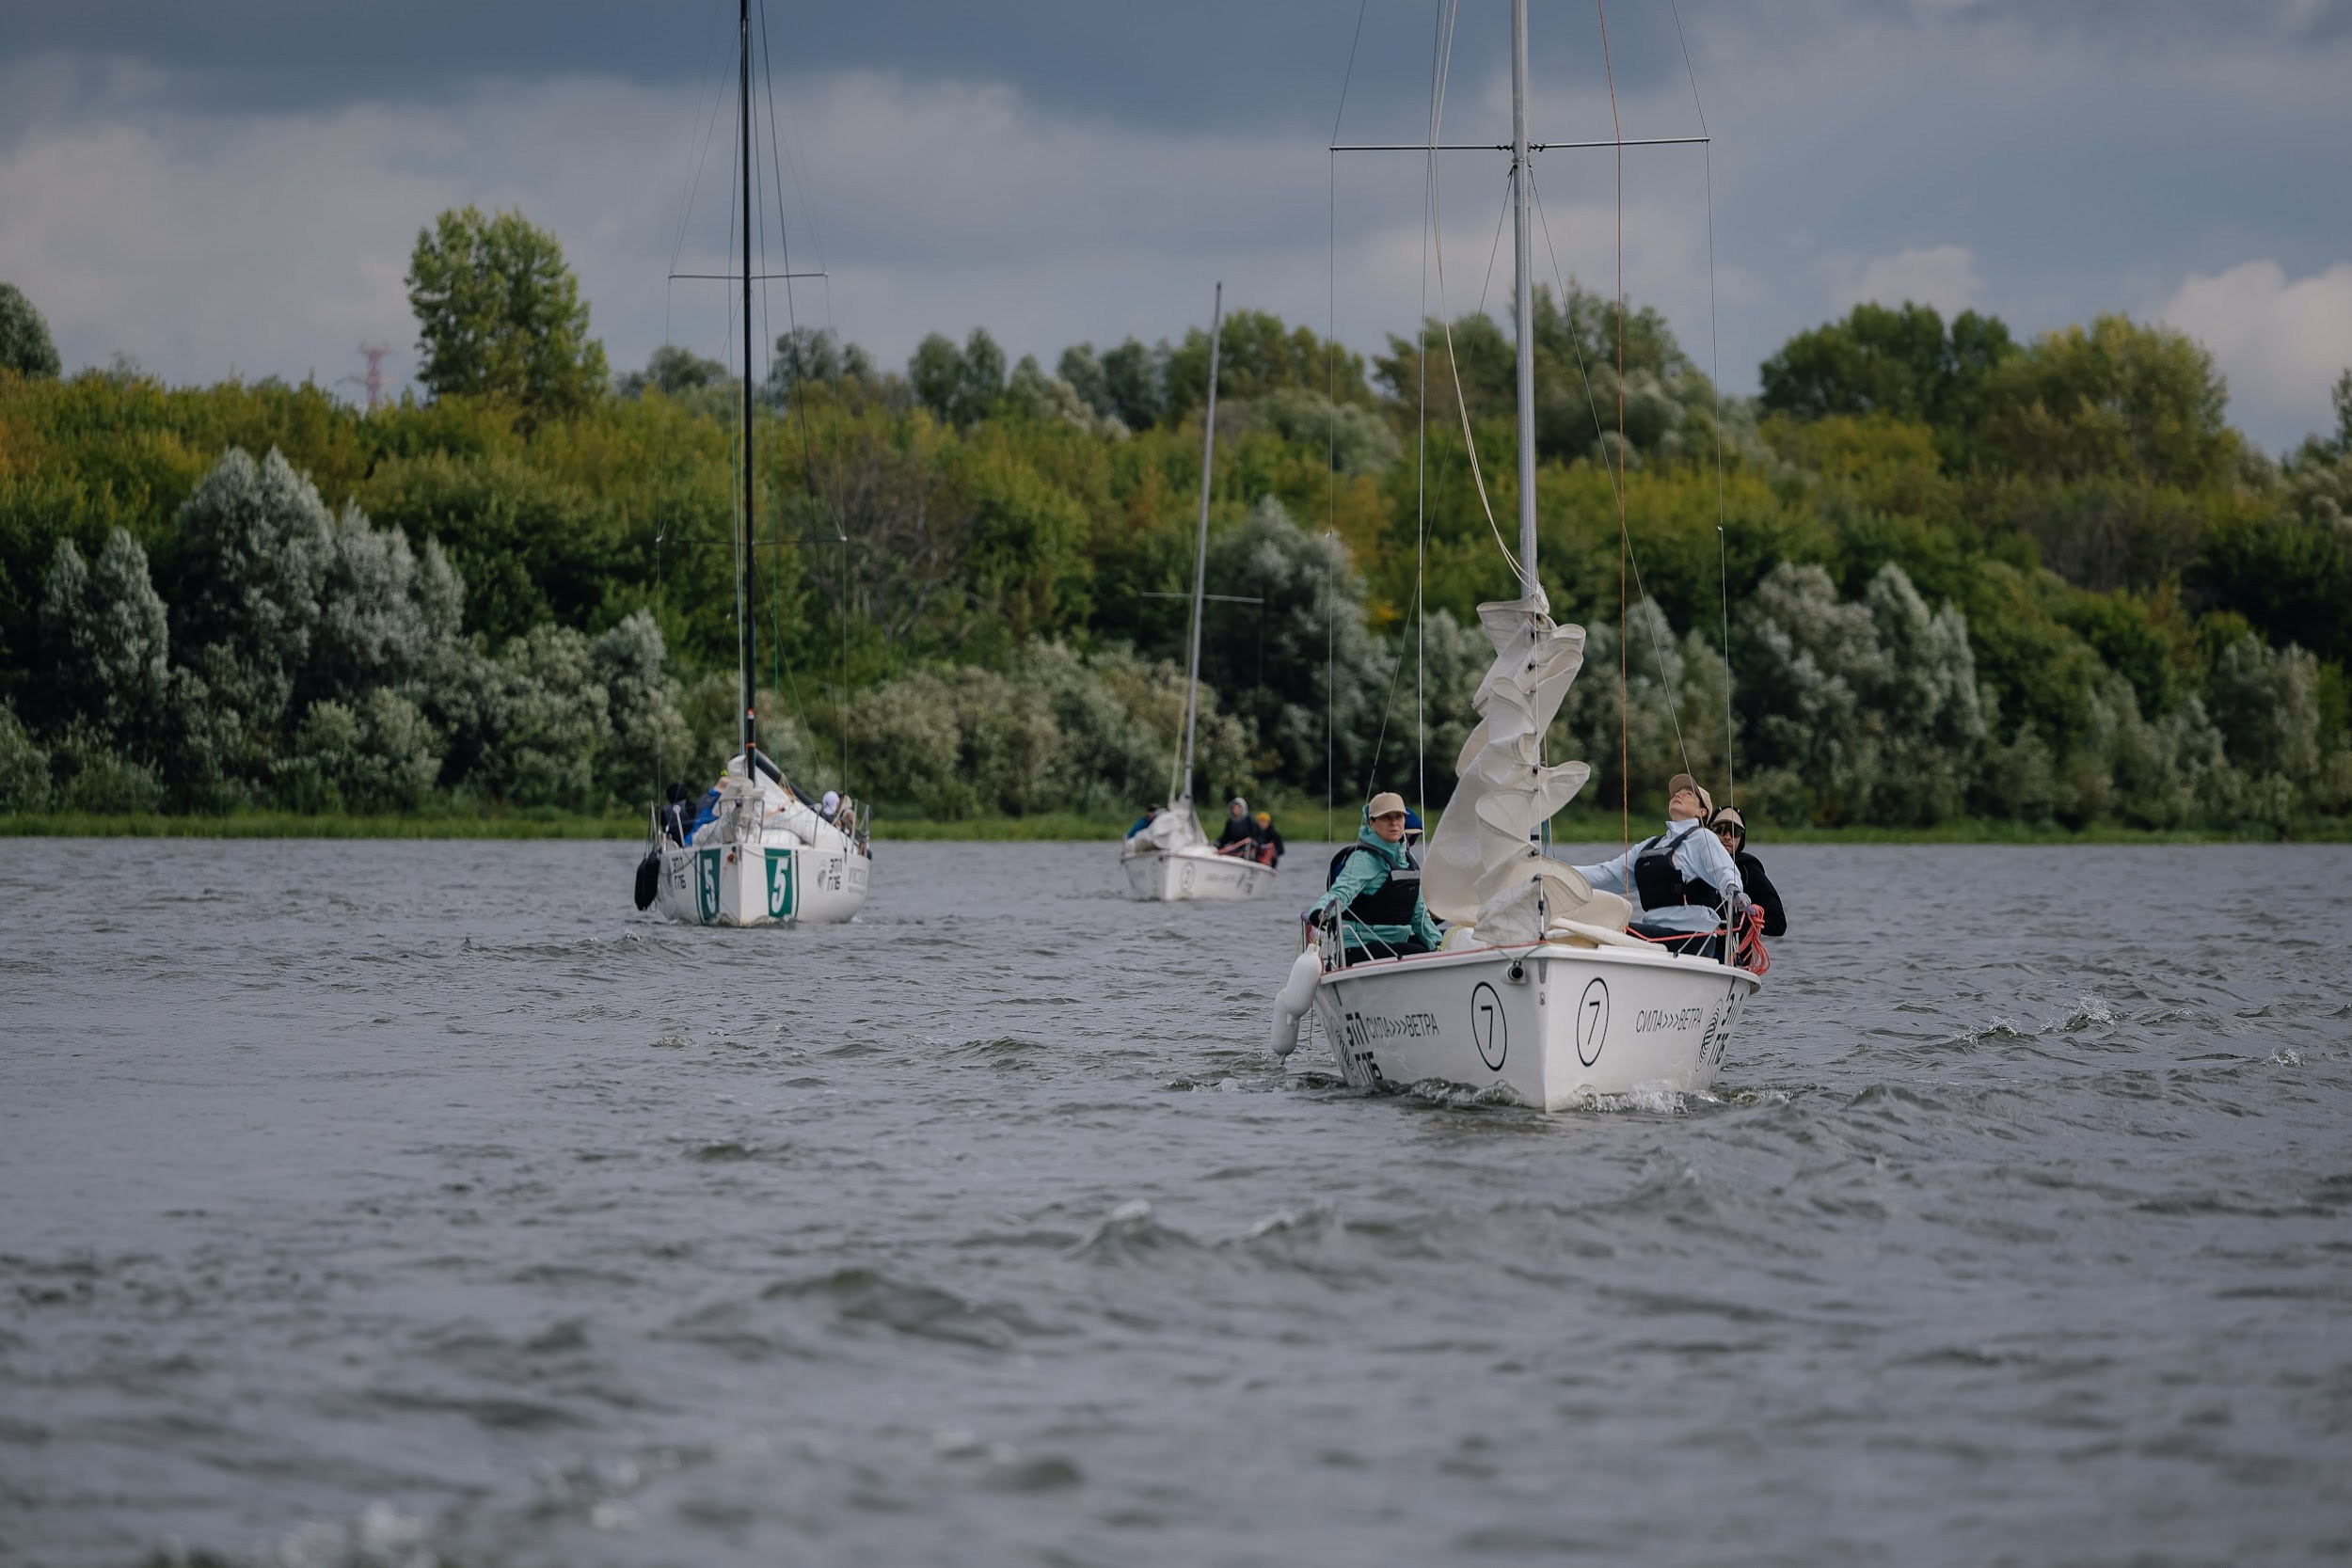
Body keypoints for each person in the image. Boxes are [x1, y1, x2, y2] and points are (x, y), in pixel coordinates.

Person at [1567, 772, 1749, 959]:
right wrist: (1559, 873)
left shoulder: (1703, 838)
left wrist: (1734, 889)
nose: (1678, 794)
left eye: (1688, 793)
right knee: (1584, 927)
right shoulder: (1650, 846)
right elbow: (1606, 874)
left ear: (1701, 812)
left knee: (1604, 932)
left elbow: (1724, 869)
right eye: (1676, 793)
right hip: (1654, 934)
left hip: (1691, 938)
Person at [1306, 792, 1445, 964]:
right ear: (1372, 823)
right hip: (1359, 948)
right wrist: (1321, 911)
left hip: (1395, 945)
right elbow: (1341, 893)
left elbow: (1419, 916)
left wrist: (1439, 945)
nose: (1394, 822)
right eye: (1386, 817)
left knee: (1453, 940)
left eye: (1398, 816)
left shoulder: (1409, 861)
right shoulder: (1363, 859)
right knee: (1418, 953)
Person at [1709, 806, 1785, 937]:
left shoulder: (1748, 869)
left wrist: (1739, 922)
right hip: (1693, 944)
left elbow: (1778, 923)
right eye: (1721, 829)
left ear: (1741, 838)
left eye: (1735, 832)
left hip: (1731, 950)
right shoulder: (1694, 862)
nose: (1727, 836)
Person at [658, 781, 693, 845]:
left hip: (676, 843)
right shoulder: (690, 805)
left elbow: (665, 829)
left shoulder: (664, 812)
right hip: (693, 840)